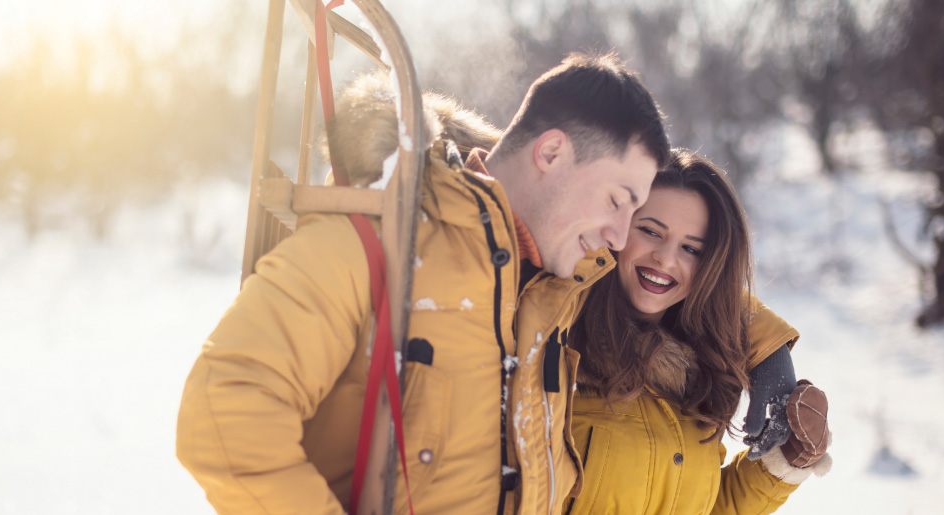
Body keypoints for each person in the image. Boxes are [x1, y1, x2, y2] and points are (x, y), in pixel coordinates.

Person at [176, 53, 797, 515]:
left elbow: (686, 281)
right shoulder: (375, 247)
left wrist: (767, 351)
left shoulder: (552, 291)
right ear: (550, 154)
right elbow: (225, 410)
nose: (617, 236)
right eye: (618, 201)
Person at [562, 150, 832, 515]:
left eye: (692, 249)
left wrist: (781, 463)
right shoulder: (556, 347)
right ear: (614, 229)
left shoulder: (699, 375)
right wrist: (767, 344)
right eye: (650, 231)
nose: (667, 259)